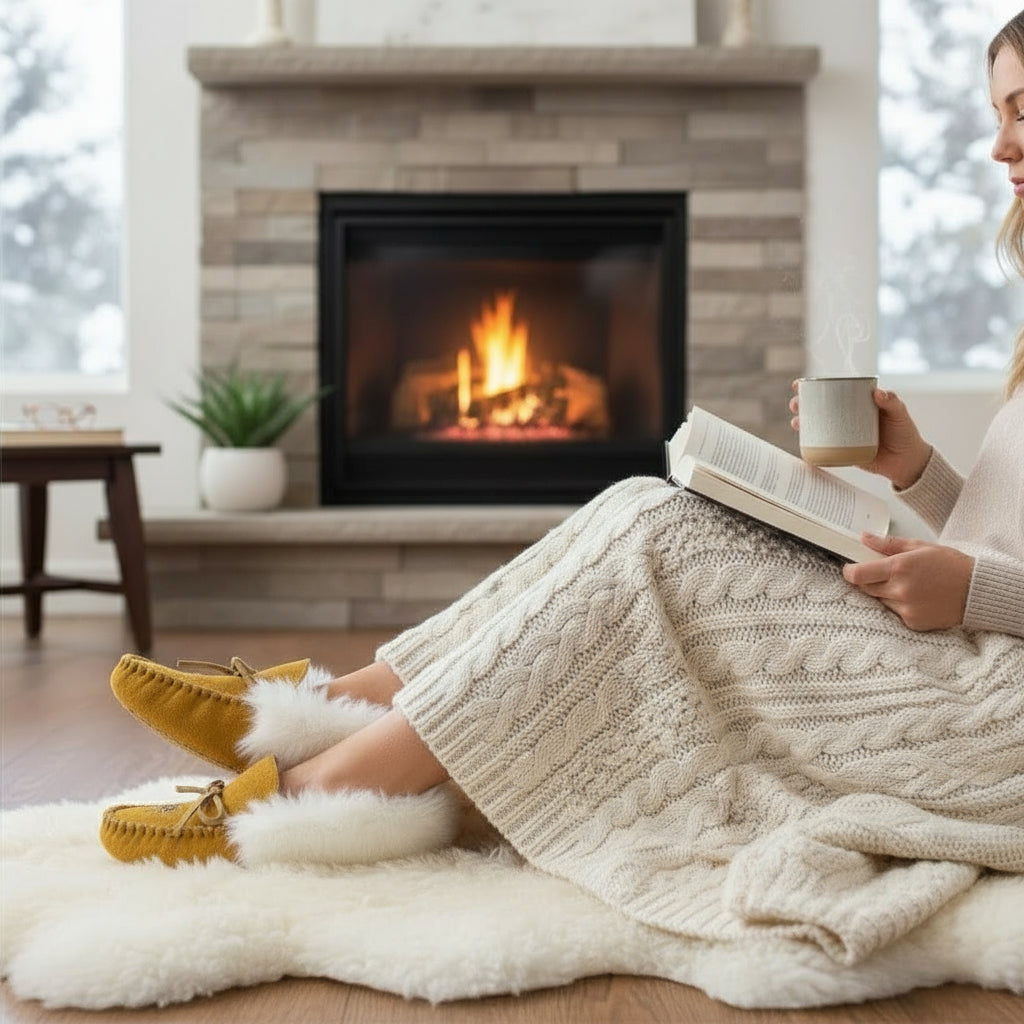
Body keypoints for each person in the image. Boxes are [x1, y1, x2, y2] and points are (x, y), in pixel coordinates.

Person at [99, 13, 1024, 966]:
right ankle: (328, 712)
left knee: (669, 542)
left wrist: (974, 592)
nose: (998, 146)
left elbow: (1000, 576)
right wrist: (916, 472)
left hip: (995, 715)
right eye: (996, 114)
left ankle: (313, 794)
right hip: (968, 642)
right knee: (641, 505)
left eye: (1020, 112)